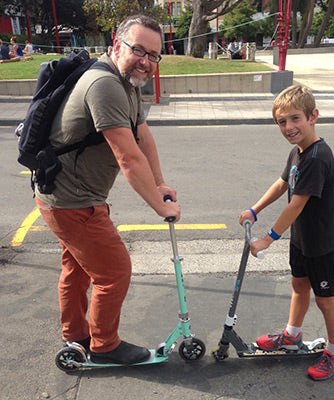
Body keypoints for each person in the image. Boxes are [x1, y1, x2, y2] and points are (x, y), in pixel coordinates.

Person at [35, 15, 180, 365]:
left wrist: (159, 183)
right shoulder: (105, 86)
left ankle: (75, 335)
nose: (146, 61)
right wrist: (160, 207)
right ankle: (104, 345)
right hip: (73, 202)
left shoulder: (127, 83)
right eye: (138, 50)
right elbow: (128, 157)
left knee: (78, 267)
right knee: (114, 271)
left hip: (65, 197)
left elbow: (143, 137)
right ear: (117, 45)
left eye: (154, 55)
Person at [239, 84, 334, 381]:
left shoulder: (316, 157)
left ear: (313, 116)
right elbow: (282, 184)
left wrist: (267, 239)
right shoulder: (298, 152)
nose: (288, 127)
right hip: (302, 240)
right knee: (299, 287)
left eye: (295, 119)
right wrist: (254, 209)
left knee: (325, 300)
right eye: (282, 122)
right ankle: (291, 335)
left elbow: (295, 206)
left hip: (323, 245)